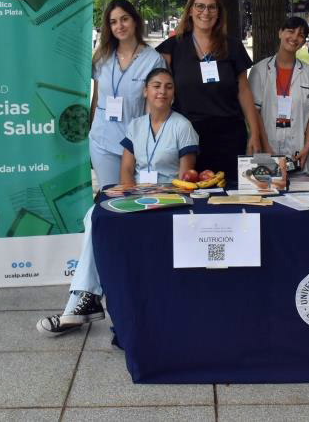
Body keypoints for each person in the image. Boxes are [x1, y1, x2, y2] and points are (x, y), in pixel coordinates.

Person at [37, 67, 198, 336]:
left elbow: (185, 178)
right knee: (94, 217)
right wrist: (129, 193)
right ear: (145, 91)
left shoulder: (183, 127)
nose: (162, 91)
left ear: (174, 93)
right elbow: (126, 170)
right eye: (156, 85)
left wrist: (151, 193)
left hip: (170, 200)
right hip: (138, 197)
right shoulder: (135, 125)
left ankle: (82, 301)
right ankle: (84, 298)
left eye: (168, 86)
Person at [156, 0, 262, 184]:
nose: (206, 12)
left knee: (231, 199)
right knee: (192, 201)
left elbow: (244, 91)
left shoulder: (232, 46)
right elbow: (159, 94)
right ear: (190, 10)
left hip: (229, 136)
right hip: (188, 138)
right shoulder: (172, 48)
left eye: (212, 7)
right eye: (200, 6)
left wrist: (254, 133)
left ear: (219, 13)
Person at [88, 0, 166, 187]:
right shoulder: (102, 56)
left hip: (135, 145)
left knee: (133, 201)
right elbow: (97, 97)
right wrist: (90, 130)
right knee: (109, 198)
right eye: (113, 22)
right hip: (102, 142)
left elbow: (156, 108)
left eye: (124, 19)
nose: (119, 26)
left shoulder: (153, 60)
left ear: (135, 21)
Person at [248, 16, 309, 174]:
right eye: (290, 31)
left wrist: (307, 146)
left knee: (300, 196)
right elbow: (254, 113)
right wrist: (266, 147)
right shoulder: (259, 70)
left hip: (299, 151)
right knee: (266, 191)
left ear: (304, 41)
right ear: (280, 33)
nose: (295, 38)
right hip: (266, 147)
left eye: (301, 35)